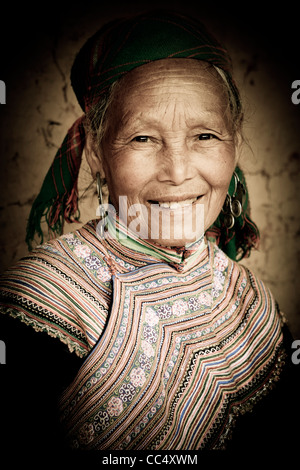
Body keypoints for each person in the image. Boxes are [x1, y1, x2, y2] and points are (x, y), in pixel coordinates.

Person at [0, 10, 298, 453]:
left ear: (233, 143)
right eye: (142, 139)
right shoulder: (43, 300)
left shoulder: (249, 297)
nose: (178, 172)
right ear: (98, 153)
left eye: (205, 136)